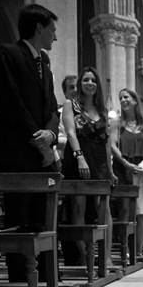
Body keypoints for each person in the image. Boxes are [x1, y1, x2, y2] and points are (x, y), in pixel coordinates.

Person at [0, 4, 60, 287]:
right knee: (19, 219)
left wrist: (51, 134)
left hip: (42, 152)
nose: (55, 37)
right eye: (52, 30)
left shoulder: (44, 62)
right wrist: (37, 138)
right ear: (39, 27)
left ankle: (45, 279)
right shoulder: (6, 53)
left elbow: (51, 107)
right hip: (18, 153)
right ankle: (21, 282)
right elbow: (11, 102)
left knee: (43, 219)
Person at [61, 66, 114, 268]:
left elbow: (107, 142)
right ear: (80, 83)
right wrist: (79, 157)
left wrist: (110, 169)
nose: (89, 83)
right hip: (78, 158)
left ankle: (106, 256)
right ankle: (85, 256)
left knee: (104, 207)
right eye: (86, 80)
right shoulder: (70, 105)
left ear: (97, 84)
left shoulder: (102, 110)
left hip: (99, 160)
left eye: (93, 80)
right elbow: (71, 133)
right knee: (78, 207)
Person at [110, 88, 143, 257]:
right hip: (123, 168)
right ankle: (125, 251)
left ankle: (137, 251)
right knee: (125, 211)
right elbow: (113, 145)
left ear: (135, 100)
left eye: (126, 97)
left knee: (141, 211)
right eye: (120, 97)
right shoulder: (116, 122)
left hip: (142, 169)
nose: (123, 100)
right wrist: (125, 163)